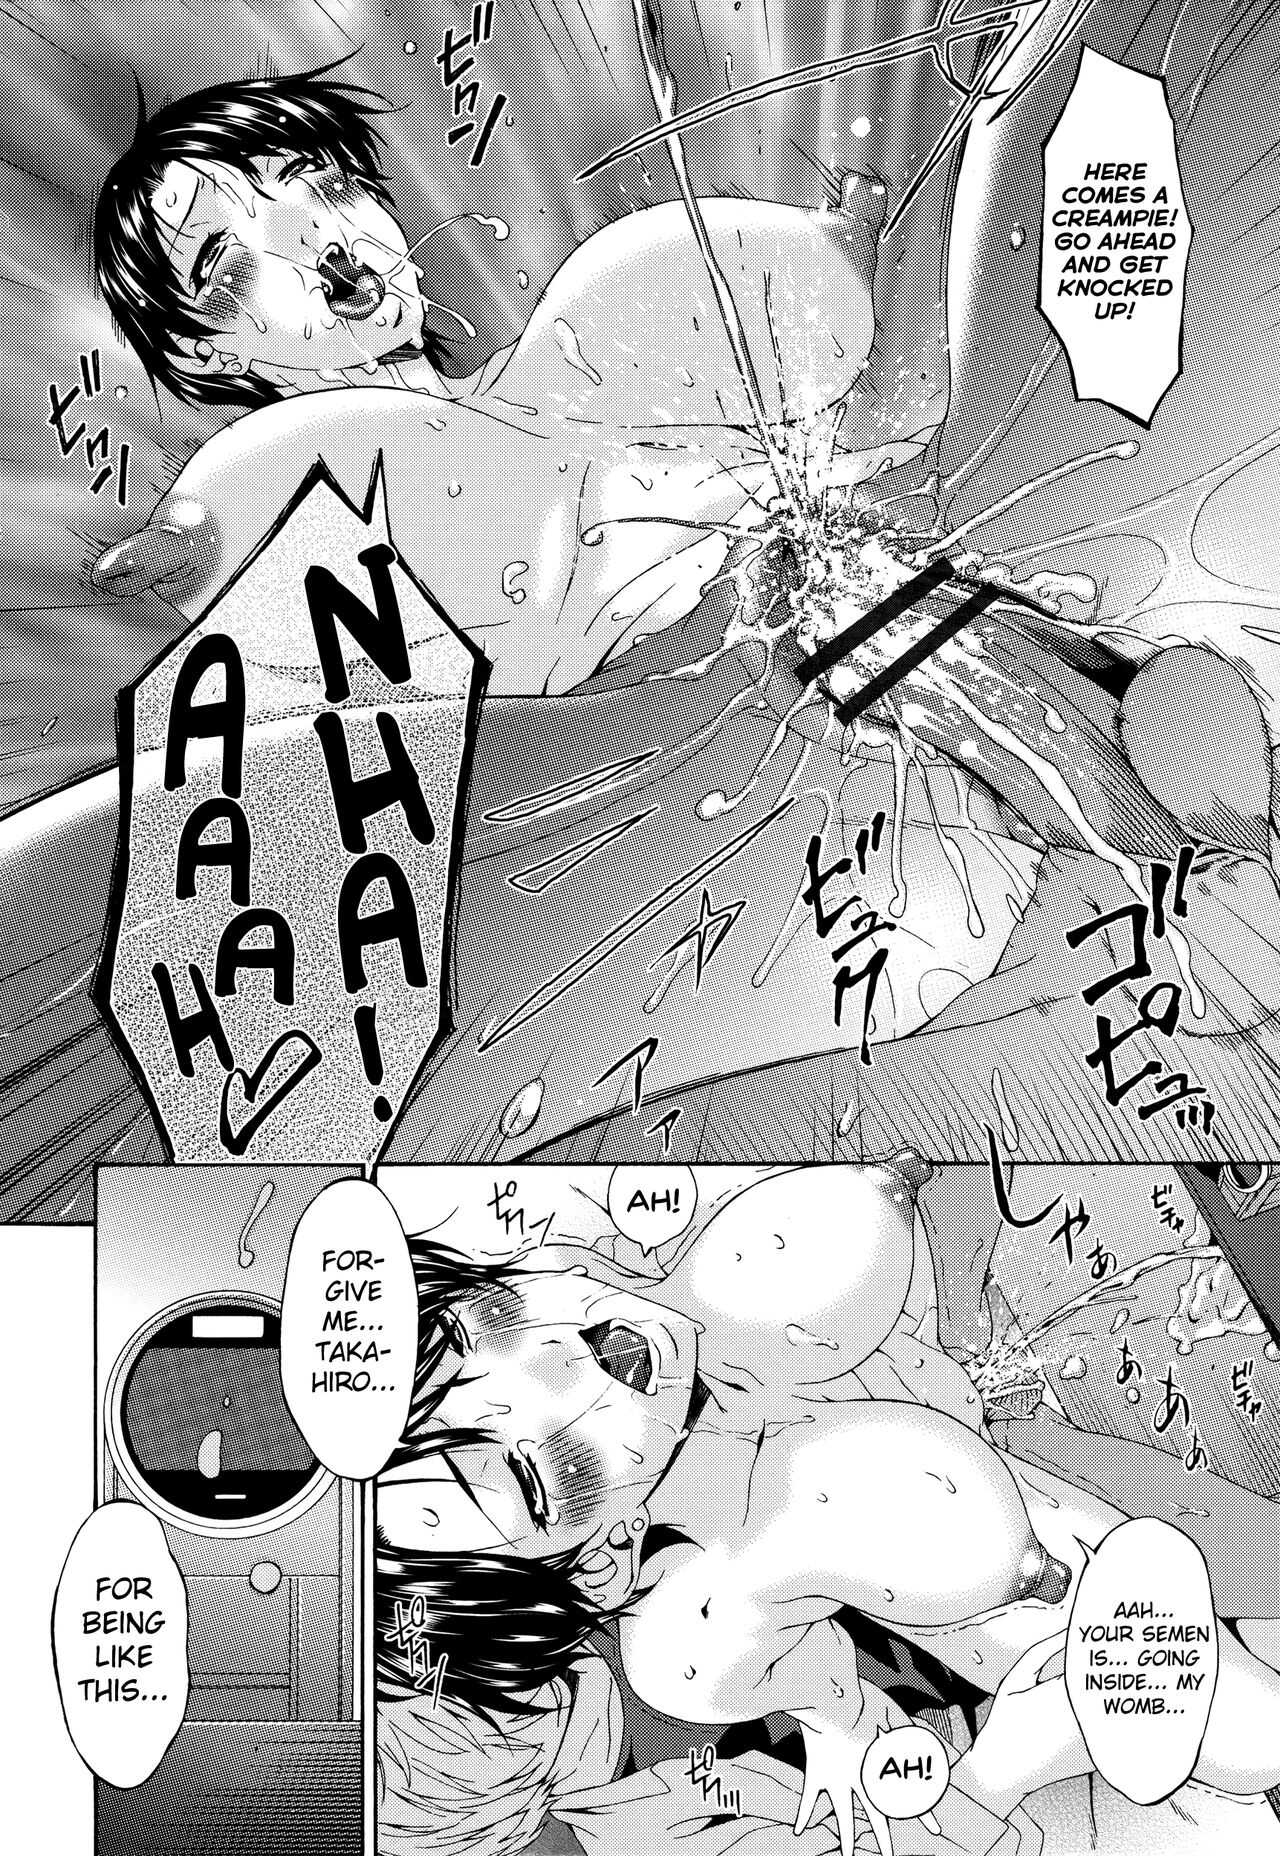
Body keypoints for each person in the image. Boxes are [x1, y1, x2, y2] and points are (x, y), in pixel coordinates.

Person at [375, 1163, 1280, 1856]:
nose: (569, 1367)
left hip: (1017, 1475)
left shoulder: (669, 1286)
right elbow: (791, 1664)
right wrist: (969, 1752)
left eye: (478, 1322)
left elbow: (847, 1273)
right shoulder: (680, 1647)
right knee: (1249, 1730)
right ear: (599, 1557)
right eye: (539, 1477)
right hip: (1018, 1617)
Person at [94, 68, 502, 408]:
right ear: (198, 350)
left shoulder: (529, 384)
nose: (308, 240)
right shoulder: (248, 478)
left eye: (309, 178)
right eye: (224, 257)